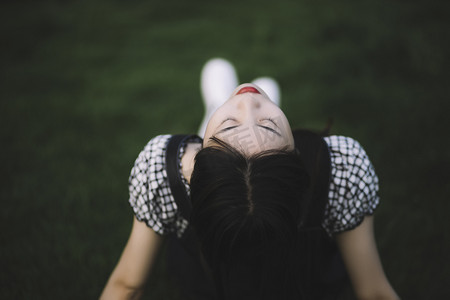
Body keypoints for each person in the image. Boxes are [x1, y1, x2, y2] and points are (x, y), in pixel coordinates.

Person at [100, 58, 400, 300]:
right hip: (311, 283)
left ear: (195, 172)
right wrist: (260, 126)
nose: (248, 102)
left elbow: (127, 285)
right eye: (269, 125)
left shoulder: (160, 171)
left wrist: (234, 125)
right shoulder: (343, 166)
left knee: (231, 138)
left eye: (265, 124)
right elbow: (373, 291)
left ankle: (217, 111)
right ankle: (222, 115)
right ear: (297, 160)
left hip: (203, 286)